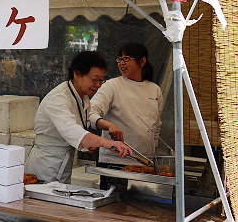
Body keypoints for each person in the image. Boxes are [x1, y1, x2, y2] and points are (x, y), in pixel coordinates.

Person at [25, 51, 131, 183]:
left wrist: (107, 126)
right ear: (77, 74)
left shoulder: (82, 97)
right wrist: (106, 143)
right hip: (45, 164)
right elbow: (72, 130)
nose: (98, 85)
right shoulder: (59, 98)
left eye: (101, 80)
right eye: (94, 79)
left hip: (63, 161)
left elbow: (83, 120)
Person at [89, 42, 164, 167]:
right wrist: (109, 125)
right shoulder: (112, 85)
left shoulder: (155, 90)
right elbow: (90, 113)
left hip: (145, 163)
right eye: (120, 59)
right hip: (114, 161)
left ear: (142, 61)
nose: (121, 63)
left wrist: (153, 157)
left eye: (127, 59)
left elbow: (156, 127)